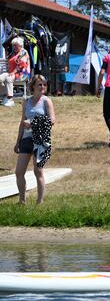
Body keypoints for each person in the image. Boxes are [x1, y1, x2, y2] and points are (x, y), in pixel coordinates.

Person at [13, 75, 55, 204]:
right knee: (19, 172)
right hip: (26, 139)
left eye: (44, 84)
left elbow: (52, 121)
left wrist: (33, 123)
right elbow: (22, 122)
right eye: (40, 84)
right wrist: (17, 141)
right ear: (33, 86)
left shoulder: (46, 101)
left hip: (41, 140)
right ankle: (22, 201)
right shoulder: (26, 102)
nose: (43, 87)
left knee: (38, 171)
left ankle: (39, 202)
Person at [0, 37, 31, 107]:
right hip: (10, 73)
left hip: (22, 73)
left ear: (21, 46)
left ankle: (10, 99)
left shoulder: (24, 52)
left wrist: (13, 72)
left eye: (16, 45)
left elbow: (21, 65)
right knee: (1, 78)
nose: (15, 47)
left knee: (8, 78)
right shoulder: (13, 52)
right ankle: (4, 95)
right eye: (14, 45)